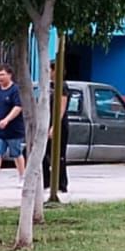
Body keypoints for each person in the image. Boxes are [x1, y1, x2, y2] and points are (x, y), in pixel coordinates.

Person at [42, 61, 71, 198]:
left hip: (58, 124)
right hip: (46, 122)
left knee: (58, 155)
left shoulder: (62, 86)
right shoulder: (48, 86)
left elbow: (61, 108)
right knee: (43, 154)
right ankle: (46, 182)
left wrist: (55, 126)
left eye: (50, 70)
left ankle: (61, 184)